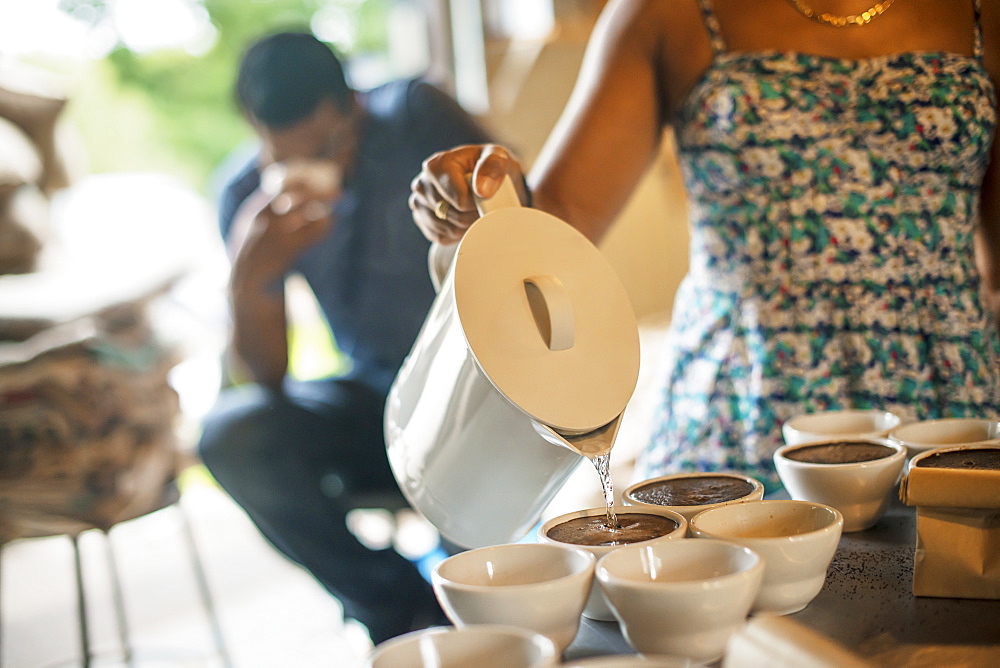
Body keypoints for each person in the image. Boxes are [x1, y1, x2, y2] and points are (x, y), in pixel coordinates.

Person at [409, 0, 1000, 492]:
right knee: (729, 617)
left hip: (947, 397)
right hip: (744, 398)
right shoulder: (671, 12)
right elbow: (558, 221)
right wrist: (484, 193)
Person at [197, 31, 493, 644]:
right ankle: (399, 606)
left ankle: (465, 600)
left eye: (326, 144)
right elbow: (267, 378)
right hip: (376, 400)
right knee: (232, 432)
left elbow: (526, 217)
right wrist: (251, 280)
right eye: (279, 153)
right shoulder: (246, 197)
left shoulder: (416, 117)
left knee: (490, 596)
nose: (306, 166)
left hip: (478, 388)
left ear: (353, 103)